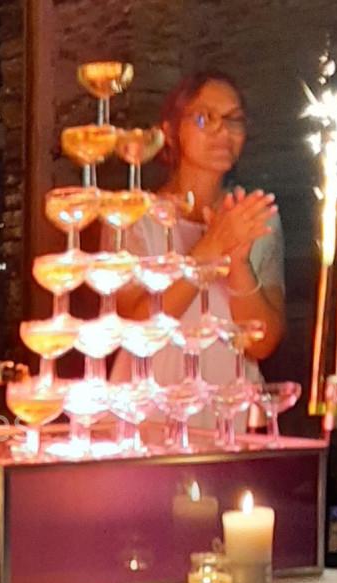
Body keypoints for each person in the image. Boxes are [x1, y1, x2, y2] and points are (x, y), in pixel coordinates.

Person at [113, 71, 284, 388]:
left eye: (234, 120)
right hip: (150, 397)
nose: (223, 131)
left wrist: (239, 264)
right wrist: (211, 246)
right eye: (206, 118)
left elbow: (262, 344)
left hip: (230, 398)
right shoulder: (132, 215)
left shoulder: (253, 215)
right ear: (171, 130)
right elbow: (138, 329)